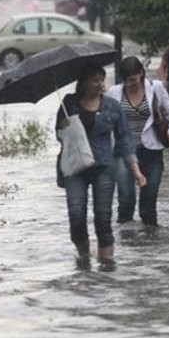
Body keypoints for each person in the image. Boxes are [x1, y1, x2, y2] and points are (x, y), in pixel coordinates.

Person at [56, 64, 146, 269]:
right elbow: (59, 137)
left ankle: (106, 271)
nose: (100, 84)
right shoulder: (68, 103)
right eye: (95, 80)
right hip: (75, 168)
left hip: (104, 166)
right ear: (85, 82)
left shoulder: (112, 106)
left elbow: (124, 140)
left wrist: (135, 171)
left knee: (103, 218)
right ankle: (84, 259)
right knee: (76, 215)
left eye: (101, 79)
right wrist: (63, 128)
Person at [106, 56, 169, 227]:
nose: (130, 84)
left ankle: (149, 244)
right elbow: (106, 121)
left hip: (151, 151)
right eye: (126, 80)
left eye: (132, 79)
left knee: (149, 200)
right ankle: (126, 241)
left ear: (141, 73)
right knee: (125, 198)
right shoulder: (114, 92)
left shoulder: (156, 88)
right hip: (122, 152)